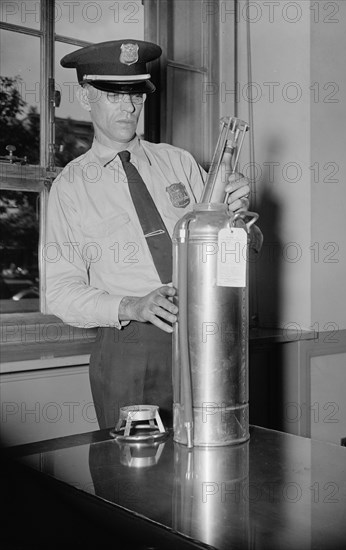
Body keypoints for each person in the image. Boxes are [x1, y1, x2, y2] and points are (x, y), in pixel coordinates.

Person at [45, 40, 251, 429]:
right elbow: (60, 292)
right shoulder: (71, 186)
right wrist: (132, 306)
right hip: (130, 346)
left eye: (136, 95)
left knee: (212, 454)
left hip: (205, 334)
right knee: (133, 476)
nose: (128, 108)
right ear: (84, 95)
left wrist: (235, 221)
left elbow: (232, 257)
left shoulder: (179, 162)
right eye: (112, 95)